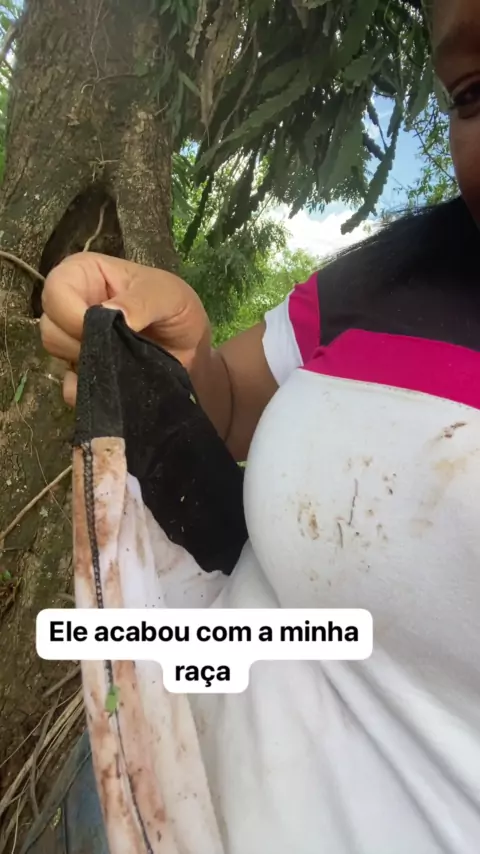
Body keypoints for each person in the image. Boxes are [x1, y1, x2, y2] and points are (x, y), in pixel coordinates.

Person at [31, 0, 480, 851]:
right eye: (475, 92)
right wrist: (183, 353)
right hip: (124, 761)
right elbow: (232, 409)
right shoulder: (390, 275)